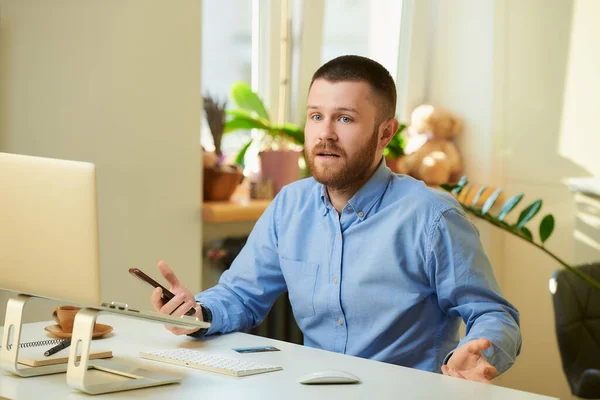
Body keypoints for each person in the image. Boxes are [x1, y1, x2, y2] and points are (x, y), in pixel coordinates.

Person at [150, 55, 522, 384]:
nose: (325, 134)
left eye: (344, 118)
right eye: (316, 116)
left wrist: (479, 352)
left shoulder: (432, 217)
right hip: (311, 388)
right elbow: (241, 294)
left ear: (385, 133)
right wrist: (198, 312)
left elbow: (494, 314)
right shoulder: (289, 205)